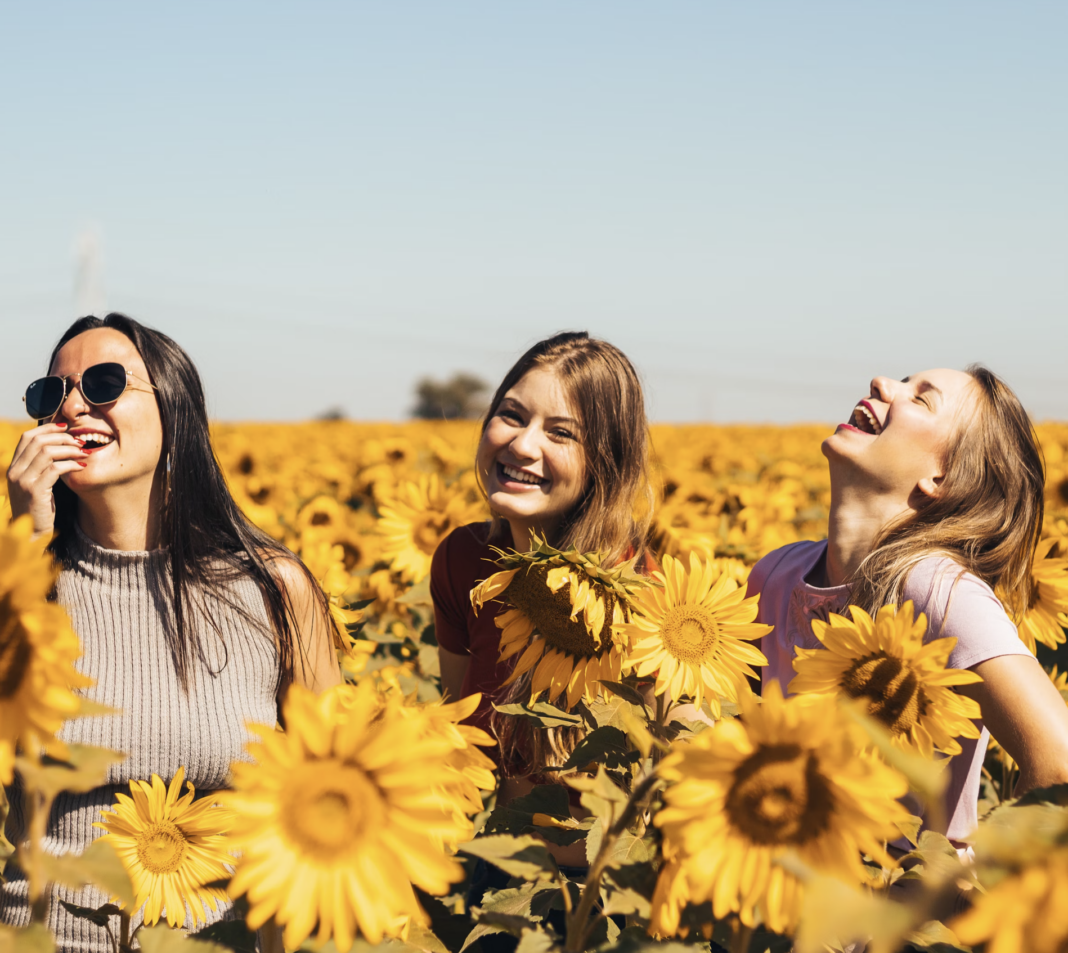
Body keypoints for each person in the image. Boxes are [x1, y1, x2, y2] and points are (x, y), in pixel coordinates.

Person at [2, 314, 341, 951]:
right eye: (52, 395)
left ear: (175, 407)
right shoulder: (17, 583)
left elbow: (326, 800)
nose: (73, 406)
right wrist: (23, 550)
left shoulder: (273, 590)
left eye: (103, 384)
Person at [748, 366, 1068, 845]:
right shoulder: (774, 574)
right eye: (902, 381)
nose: (880, 383)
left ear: (942, 478)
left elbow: (1059, 765)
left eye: (921, 399)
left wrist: (970, 894)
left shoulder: (936, 590)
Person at [431, 330, 654, 869]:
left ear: (604, 463)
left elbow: (655, 778)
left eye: (560, 433)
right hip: (492, 872)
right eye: (511, 415)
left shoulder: (636, 595)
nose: (522, 444)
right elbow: (458, 726)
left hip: (600, 899)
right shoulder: (463, 560)